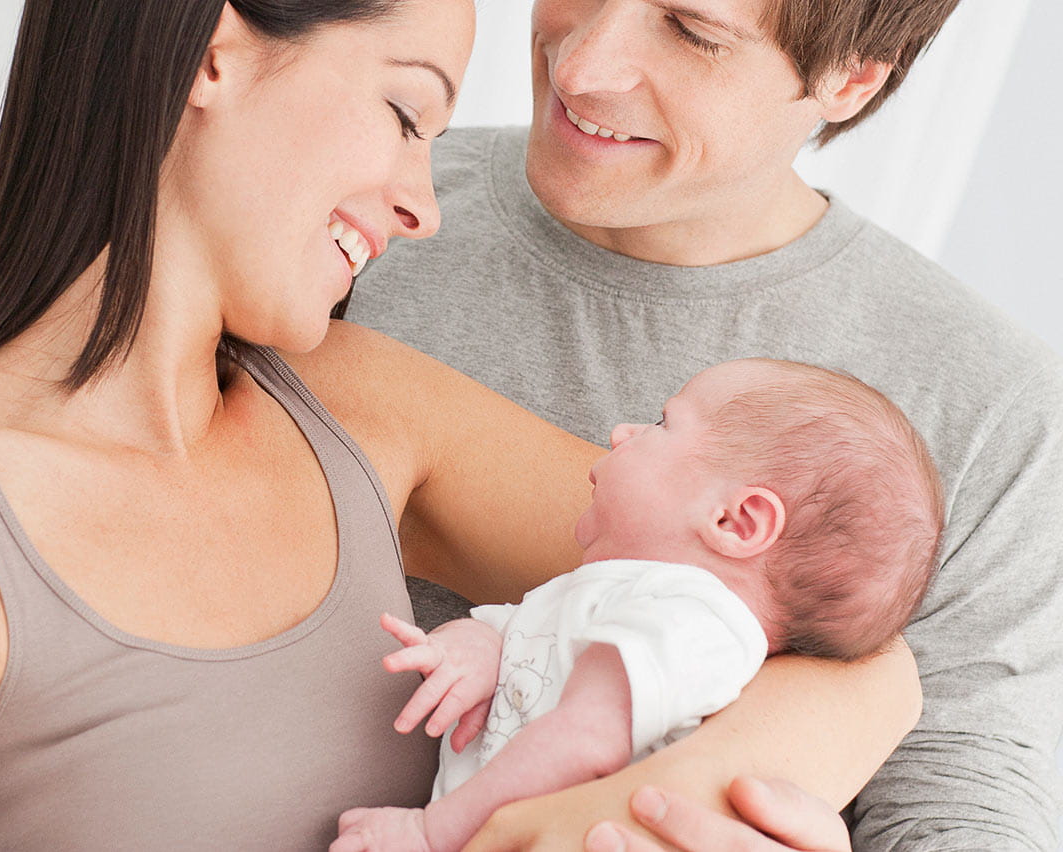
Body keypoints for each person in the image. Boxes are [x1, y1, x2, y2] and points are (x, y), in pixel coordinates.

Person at [0, 0, 927, 849]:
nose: (429, 206)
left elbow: (846, 650)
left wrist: (620, 812)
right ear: (213, 51)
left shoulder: (363, 405)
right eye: (403, 112)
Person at [338, 0, 1063, 846]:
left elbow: (964, 806)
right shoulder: (346, 211)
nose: (580, 69)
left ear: (854, 75)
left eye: (693, 31)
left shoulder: (990, 406)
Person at [332, 358, 944, 852]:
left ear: (735, 519)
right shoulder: (632, 599)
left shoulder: (696, 622)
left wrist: (429, 834)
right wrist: (485, 646)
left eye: (661, 423)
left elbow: (584, 742)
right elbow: (539, 647)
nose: (621, 433)